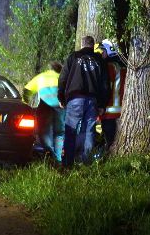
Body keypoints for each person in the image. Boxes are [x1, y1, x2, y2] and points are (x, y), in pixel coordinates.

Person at [58, 36, 108, 166]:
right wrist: (102, 104)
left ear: (82, 45)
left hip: (75, 99)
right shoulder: (99, 61)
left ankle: (67, 163)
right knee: (89, 132)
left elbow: (63, 78)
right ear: (93, 46)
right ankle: (86, 163)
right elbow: (104, 84)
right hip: (92, 101)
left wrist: (61, 97)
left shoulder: (73, 57)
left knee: (70, 131)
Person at [23, 61, 65, 164]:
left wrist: (26, 103)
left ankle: (50, 154)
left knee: (44, 133)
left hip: (45, 108)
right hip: (61, 107)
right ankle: (58, 159)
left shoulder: (41, 77)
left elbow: (26, 90)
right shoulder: (63, 76)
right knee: (59, 133)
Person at [94, 39, 126, 148]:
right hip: (124, 112)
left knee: (110, 144)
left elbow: (103, 88)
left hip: (108, 112)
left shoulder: (106, 67)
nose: (101, 53)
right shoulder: (125, 67)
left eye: (103, 50)